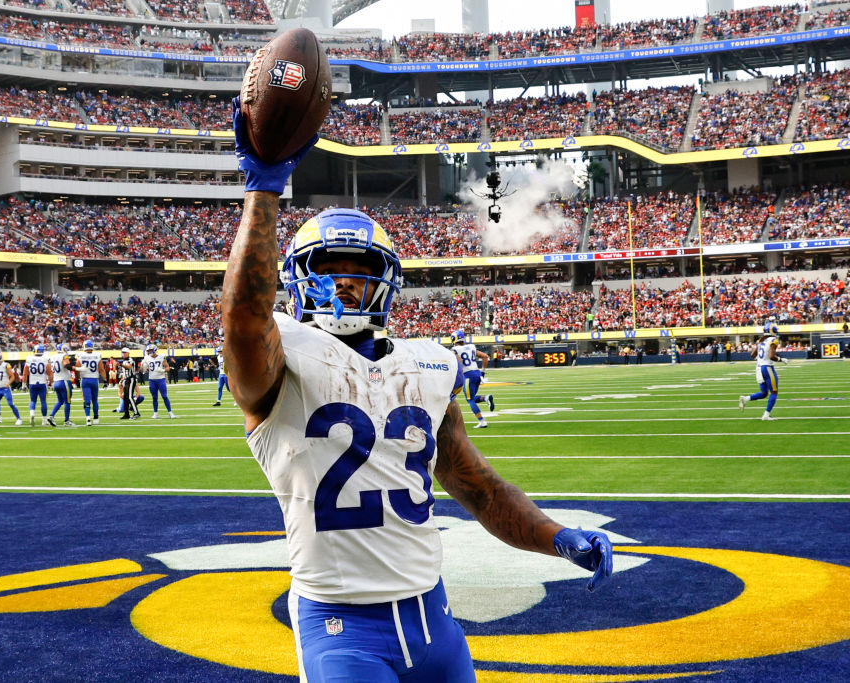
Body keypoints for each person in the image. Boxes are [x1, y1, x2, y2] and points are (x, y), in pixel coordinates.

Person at [221, 107, 612, 683]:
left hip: (435, 620)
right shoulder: (282, 362)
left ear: (388, 279)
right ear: (298, 279)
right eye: (329, 268)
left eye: (361, 268)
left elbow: (481, 491)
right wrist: (264, 192)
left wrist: (558, 537)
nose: (346, 281)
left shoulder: (427, 364)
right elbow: (244, 322)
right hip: (341, 628)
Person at [740, 323, 788, 421]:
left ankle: (746, 399)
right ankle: (766, 415)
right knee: (774, 392)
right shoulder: (773, 340)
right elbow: (771, 356)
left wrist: (761, 360)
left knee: (764, 393)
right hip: (767, 368)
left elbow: (752, 355)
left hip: (758, 368)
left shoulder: (761, 341)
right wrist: (781, 359)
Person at [450, 330, 495, 428]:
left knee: (470, 400)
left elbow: (459, 361)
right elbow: (485, 357)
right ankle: (485, 398)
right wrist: (482, 372)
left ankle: (482, 421)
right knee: (472, 397)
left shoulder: (454, 350)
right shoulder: (471, 346)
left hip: (467, 375)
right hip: (477, 374)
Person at [0, 351, 23, 426]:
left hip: (5, 389)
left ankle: (19, 419)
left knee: (10, 404)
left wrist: (8, 383)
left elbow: (12, 376)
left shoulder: (6, 365)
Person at [23, 344, 55, 427]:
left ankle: (32, 413)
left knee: (33, 401)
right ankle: (44, 420)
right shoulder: (45, 359)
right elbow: (49, 373)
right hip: (42, 383)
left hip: (32, 383)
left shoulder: (29, 359)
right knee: (43, 401)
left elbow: (25, 373)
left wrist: (23, 383)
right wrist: (52, 383)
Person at [77, 339, 106, 426]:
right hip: (94, 379)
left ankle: (88, 418)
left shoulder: (80, 355)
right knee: (95, 400)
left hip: (85, 379)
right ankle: (96, 418)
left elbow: (77, 369)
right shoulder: (97, 355)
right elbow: (101, 369)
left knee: (86, 400)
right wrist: (105, 380)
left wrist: (78, 378)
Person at [142, 343, 174, 419]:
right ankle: (155, 413)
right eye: (148, 351)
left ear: (155, 350)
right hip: (152, 380)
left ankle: (170, 412)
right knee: (154, 397)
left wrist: (162, 370)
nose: (149, 352)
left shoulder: (161, 357)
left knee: (164, 396)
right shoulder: (147, 358)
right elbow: (147, 368)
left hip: (161, 379)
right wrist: (146, 369)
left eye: (150, 350)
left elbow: (168, 368)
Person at [49, 343, 76, 426]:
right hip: (64, 381)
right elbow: (66, 365)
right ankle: (67, 421)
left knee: (60, 401)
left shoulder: (52, 357)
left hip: (56, 381)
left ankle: (51, 416)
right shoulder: (64, 356)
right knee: (67, 402)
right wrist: (75, 367)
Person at [116, 348, 142, 420]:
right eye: (122, 352)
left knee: (130, 397)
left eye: (124, 353)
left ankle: (136, 413)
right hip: (126, 380)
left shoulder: (130, 360)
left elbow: (129, 367)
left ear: (128, 353)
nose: (123, 354)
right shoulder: (124, 361)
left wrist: (121, 364)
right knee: (126, 398)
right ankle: (126, 414)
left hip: (131, 379)